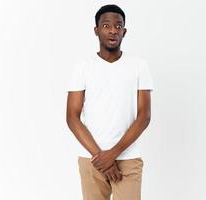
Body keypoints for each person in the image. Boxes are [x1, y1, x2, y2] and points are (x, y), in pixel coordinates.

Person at [65, 4, 154, 200]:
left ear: (124, 31)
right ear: (96, 30)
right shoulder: (82, 67)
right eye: (106, 26)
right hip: (91, 159)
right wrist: (100, 157)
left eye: (118, 26)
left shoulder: (139, 66)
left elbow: (144, 116)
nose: (113, 30)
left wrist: (112, 154)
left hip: (128, 158)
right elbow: (72, 117)